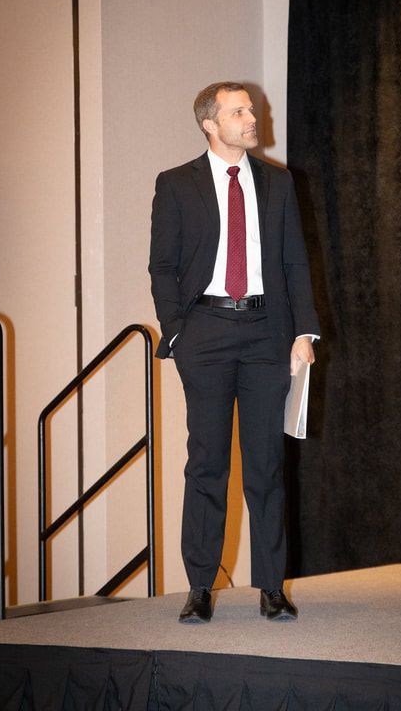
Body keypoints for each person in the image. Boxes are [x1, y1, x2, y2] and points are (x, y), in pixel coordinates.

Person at [149, 81, 320, 623]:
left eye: (252, 109)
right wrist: (177, 331)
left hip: (268, 332)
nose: (252, 117)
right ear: (210, 123)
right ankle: (200, 588)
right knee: (207, 464)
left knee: (267, 466)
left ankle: (271, 587)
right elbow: (162, 266)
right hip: (206, 332)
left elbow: (295, 260)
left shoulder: (277, 182)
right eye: (240, 111)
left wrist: (304, 331)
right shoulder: (176, 184)